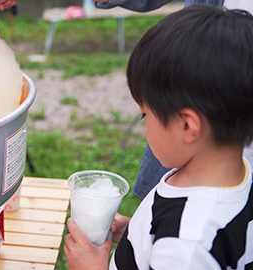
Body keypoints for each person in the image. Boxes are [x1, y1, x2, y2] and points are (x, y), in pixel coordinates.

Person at [64, 5, 253, 269]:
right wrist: (140, 235)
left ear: (187, 125)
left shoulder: (186, 247)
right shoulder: (236, 176)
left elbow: (182, 249)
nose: (145, 125)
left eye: (145, 115)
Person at [91, 0, 253, 200]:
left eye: (145, 115)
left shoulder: (183, 229)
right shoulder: (230, 187)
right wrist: (130, 232)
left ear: (187, 125)